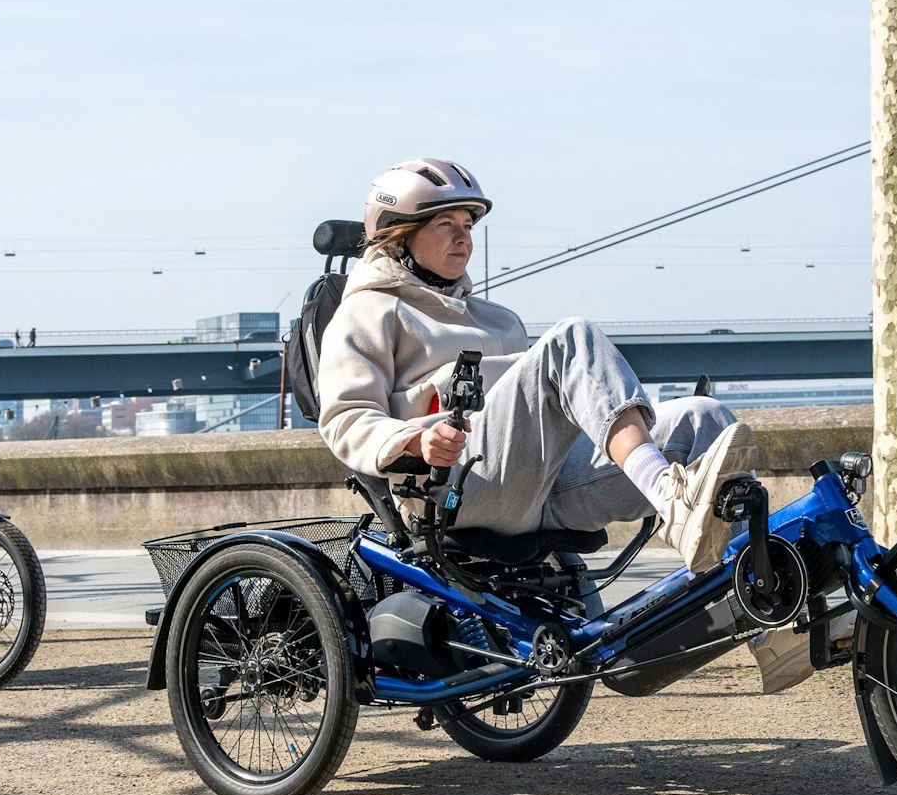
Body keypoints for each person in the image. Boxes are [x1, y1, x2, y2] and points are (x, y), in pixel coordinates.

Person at [315, 159, 752, 573]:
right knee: (571, 338)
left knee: (704, 418)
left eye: (468, 225)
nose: (464, 238)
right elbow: (345, 418)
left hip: (540, 488)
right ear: (398, 235)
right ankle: (665, 493)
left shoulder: (499, 319)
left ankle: (756, 594)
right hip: (452, 492)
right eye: (445, 224)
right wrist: (414, 440)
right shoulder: (369, 311)